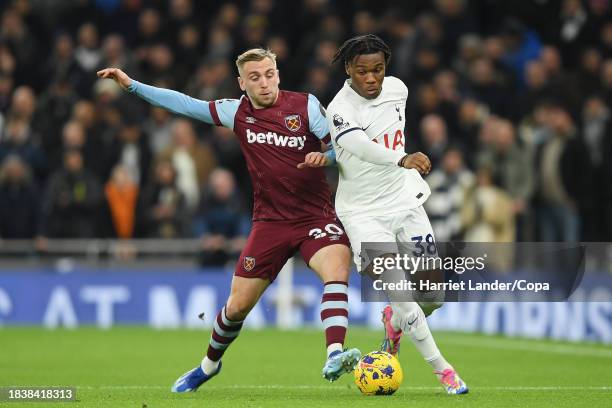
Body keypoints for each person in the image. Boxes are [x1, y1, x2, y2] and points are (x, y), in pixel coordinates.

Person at [97, 47, 359, 392]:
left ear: (278, 74)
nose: (264, 83)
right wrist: (132, 85)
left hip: (316, 216)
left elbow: (343, 150)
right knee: (236, 308)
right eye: (255, 77)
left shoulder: (306, 105)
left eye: (269, 74)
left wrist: (324, 159)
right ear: (242, 83)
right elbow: (182, 103)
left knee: (337, 269)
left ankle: (334, 353)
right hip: (270, 223)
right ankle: (208, 365)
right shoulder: (236, 112)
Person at [302, 34, 469, 395]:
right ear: (349, 69)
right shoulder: (339, 109)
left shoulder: (399, 89)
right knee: (402, 294)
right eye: (363, 71)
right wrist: (403, 158)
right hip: (362, 215)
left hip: (405, 203)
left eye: (378, 69)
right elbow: (360, 147)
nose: (372, 78)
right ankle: (445, 372)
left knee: (434, 296)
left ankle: (394, 324)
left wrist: (401, 165)